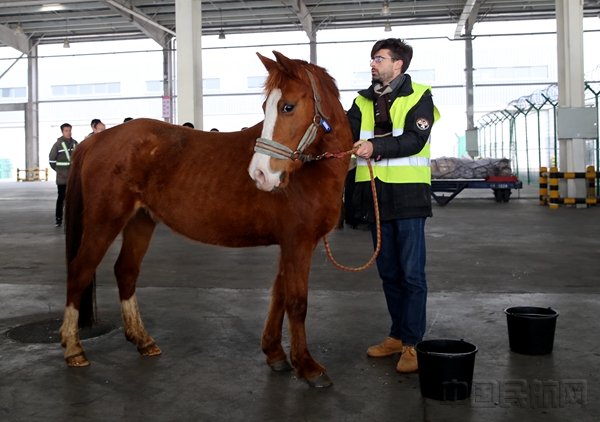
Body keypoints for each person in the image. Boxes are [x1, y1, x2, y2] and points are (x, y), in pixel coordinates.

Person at [346, 38, 440, 373]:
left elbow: (416, 140)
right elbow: (344, 133)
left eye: (378, 58)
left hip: (409, 198)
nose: (372, 64)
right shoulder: (361, 100)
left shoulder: (419, 95)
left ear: (397, 64)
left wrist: (374, 147)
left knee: (411, 275)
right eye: (372, 59)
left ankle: (413, 344)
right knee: (388, 273)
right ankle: (397, 336)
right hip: (375, 198)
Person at [48, 123, 78, 227]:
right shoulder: (58, 145)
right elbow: (52, 160)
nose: (69, 133)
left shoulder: (75, 144)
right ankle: (59, 218)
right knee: (61, 198)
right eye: (66, 131)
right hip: (62, 177)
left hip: (73, 177)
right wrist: (59, 171)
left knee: (73, 199)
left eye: (70, 130)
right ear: (62, 132)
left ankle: (72, 219)